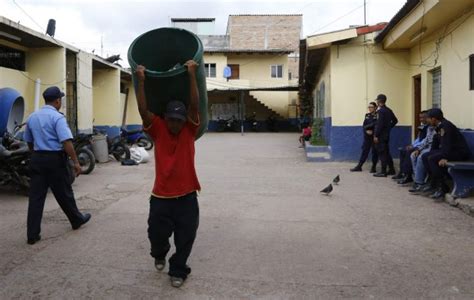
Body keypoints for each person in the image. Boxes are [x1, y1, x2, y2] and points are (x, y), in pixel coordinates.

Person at [135, 61, 201, 288]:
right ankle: (159, 253)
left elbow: (194, 105)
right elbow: (143, 111)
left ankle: (178, 269)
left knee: (186, 237)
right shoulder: (159, 128)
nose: (175, 124)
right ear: (165, 117)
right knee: (156, 236)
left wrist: (192, 75)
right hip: (161, 197)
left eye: (179, 120)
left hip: (187, 196)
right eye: (172, 119)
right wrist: (141, 82)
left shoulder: (189, 130)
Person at [23, 86, 91, 245]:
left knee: (36, 198)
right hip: (54, 160)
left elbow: (29, 141)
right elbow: (66, 142)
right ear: (57, 101)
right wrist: (75, 162)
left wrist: (36, 154)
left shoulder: (32, 117)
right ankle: (76, 220)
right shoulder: (57, 118)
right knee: (64, 193)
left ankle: (32, 234)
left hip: (37, 159)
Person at [419, 108, 471, 200]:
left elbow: (447, 146)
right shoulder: (439, 126)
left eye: (429, 118)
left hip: (459, 153)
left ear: (434, 119)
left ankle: (442, 187)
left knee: (432, 158)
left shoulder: (446, 126)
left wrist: (445, 158)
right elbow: (436, 144)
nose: (428, 121)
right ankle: (433, 182)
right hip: (449, 151)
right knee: (425, 156)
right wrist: (432, 152)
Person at [394, 111, 429, 184]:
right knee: (403, 150)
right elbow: (419, 139)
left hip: (424, 147)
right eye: (420, 118)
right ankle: (402, 172)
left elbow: (425, 141)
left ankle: (408, 175)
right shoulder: (422, 127)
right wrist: (412, 145)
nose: (421, 119)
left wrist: (414, 146)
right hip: (419, 145)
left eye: (423, 117)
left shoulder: (429, 128)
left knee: (409, 151)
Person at [408, 113, 437, 193]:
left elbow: (435, 143)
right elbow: (426, 140)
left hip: (434, 148)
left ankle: (420, 182)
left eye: (427, 118)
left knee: (421, 157)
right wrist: (419, 149)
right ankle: (417, 179)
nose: (426, 120)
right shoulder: (429, 128)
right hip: (427, 147)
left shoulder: (438, 128)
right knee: (413, 155)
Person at [373, 94, 398, 177]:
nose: (376, 101)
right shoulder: (389, 110)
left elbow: (379, 125)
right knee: (386, 152)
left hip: (381, 135)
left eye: (377, 100)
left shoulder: (381, 111)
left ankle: (383, 171)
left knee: (382, 153)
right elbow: (395, 120)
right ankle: (391, 169)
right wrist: (389, 127)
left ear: (379, 101)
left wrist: (376, 135)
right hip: (386, 135)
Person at [350, 102, 378, 173]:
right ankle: (359, 166)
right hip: (367, 137)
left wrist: (371, 130)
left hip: (374, 136)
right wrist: (366, 130)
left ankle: (373, 167)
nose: (369, 108)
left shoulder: (378, 115)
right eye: (369, 107)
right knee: (364, 151)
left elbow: (377, 125)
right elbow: (364, 125)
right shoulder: (367, 115)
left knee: (374, 152)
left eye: (371, 107)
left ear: (375, 107)